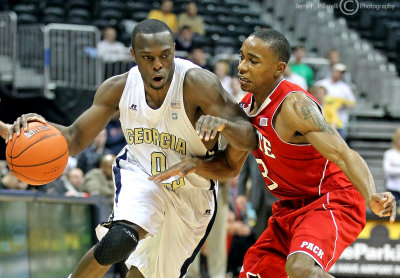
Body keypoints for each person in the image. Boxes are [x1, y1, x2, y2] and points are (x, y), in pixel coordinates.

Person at [6, 19, 256, 278]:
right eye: (148, 58)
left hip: (192, 190)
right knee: (119, 239)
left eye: (165, 56)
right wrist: (27, 128)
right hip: (142, 172)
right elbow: (74, 138)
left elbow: (249, 138)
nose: (158, 65)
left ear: (173, 50)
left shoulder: (198, 84)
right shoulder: (119, 88)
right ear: (133, 56)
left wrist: (224, 125)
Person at [150, 29, 397, 278]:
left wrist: (371, 194)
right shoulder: (245, 108)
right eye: (242, 57)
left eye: (253, 61)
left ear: (278, 68)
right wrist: (192, 164)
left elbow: (344, 154)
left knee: (300, 268)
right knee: (253, 274)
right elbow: (230, 167)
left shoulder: (294, 106)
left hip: (331, 199)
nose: (242, 67)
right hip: (288, 208)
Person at [314, 63, 355, 140]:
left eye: (342, 73)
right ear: (333, 71)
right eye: (338, 71)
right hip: (320, 121)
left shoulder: (345, 88)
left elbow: (352, 104)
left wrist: (341, 104)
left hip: (340, 121)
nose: (340, 74)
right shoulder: (321, 84)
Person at [383, 128, 400, 204]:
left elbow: (392, 170)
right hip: (392, 189)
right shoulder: (389, 154)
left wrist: (395, 166)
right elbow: (388, 171)